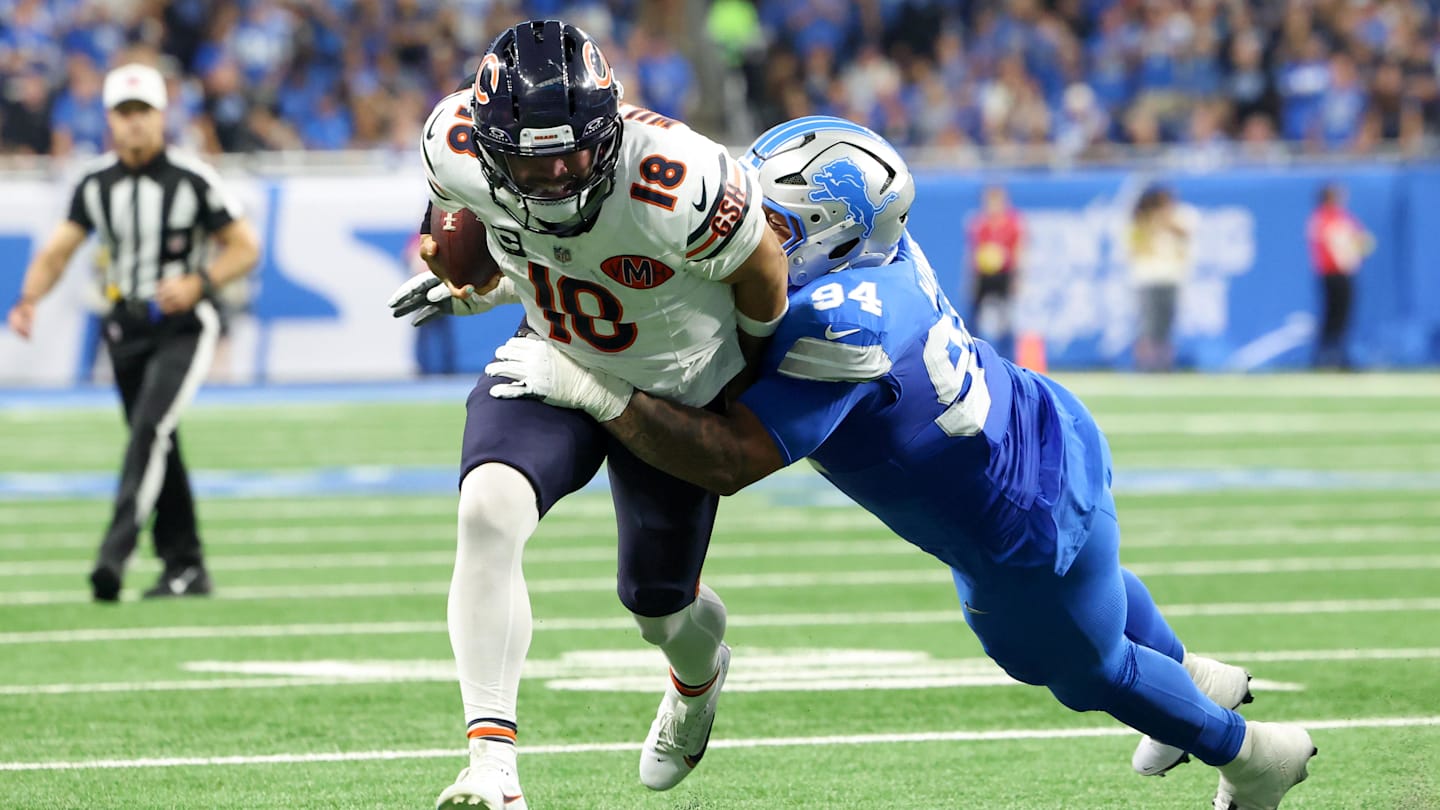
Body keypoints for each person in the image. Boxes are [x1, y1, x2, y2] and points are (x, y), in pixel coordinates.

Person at [484, 117, 1318, 810]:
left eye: (770, 221)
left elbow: (729, 462)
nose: (741, 225)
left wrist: (594, 391)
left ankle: (1250, 756)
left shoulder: (835, 322)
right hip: (1049, 431)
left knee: (1084, 665)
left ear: (824, 233)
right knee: (1101, 583)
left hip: (1010, 526)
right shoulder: (879, 253)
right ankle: (1189, 681)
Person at [385, 20, 789, 810]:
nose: (558, 173)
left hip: (671, 389)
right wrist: (485, 284)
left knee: (660, 608)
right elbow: (501, 241)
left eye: (572, 151)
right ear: (492, 142)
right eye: (533, 158)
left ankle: (697, 683)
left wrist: (741, 371)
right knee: (488, 508)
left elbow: (764, 270)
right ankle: (492, 770)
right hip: (554, 350)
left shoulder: (683, 181)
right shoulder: (454, 142)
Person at [6, 62, 259, 602]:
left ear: (161, 117)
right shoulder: (96, 184)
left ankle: (112, 557)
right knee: (157, 440)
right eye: (124, 113)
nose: (134, 124)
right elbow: (58, 251)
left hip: (183, 326)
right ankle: (186, 566)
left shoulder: (192, 179)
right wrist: (28, 299)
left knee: (149, 431)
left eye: (143, 112)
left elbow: (244, 246)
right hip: (124, 328)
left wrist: (199, 282)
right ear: (109, 120)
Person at [1126, 185, 1195, 372]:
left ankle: (1164, 365)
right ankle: (1145, 364)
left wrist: (1165, 221)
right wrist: (1150, 224)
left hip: (1171, 278)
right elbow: (1135, 249)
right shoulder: (1139, 222)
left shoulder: (1179, 216)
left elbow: (1186, 233)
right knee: (1149, 323)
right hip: (1148, 279)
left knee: (1166, 324)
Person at [1306, 183, 1373, 370]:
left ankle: (1332, 357)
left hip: (1332, 273)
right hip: (1336, 273)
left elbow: (1363, 240)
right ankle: (1330, 359)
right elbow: (1350, 244)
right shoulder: (1329, 217)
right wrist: (1352, 254)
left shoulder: (1327, 217)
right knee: (1336, 316)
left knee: (1337, 316)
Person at [966, 184, 1023, 358]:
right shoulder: (980, 224)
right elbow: (972, 253)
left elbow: (1019, 252)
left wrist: (1017, 278)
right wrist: (971, 280)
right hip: (983, 274)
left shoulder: (1012, 224)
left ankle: (1009, 359)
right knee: (973, 317)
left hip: (1004, 275)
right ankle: (972, 354)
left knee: (1006, 320)